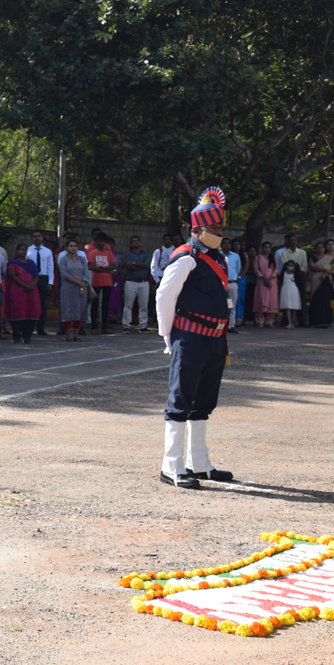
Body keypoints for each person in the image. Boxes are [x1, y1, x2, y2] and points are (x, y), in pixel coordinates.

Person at [155, 187, 236, 489]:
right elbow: (164, 297)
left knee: (203, 402)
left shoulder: (216, 257)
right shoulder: (186, 257)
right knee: (180, 400)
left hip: (215, 339)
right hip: (189, 337)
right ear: (196, 229)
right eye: (214, 227)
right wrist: (167, 336)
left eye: (219, 227)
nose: (219, 232)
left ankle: (199, 463)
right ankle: (171, 465)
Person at [4, 243, 41, 344]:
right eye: (21, 249)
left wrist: (31, 286)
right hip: (18, 291)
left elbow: (36, 276)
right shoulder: (13, 263)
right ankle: (17, 336)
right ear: (17, 251)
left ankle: (27, 336)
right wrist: (25, 286)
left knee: (31, 312)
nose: (23, 251)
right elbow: (13, 276)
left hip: (31, 293)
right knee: (18, 312)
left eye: (25, 250)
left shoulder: (31, 263)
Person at [58, 239, 91, 342]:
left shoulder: (82, 259)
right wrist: (79, 283)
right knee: (67, 310)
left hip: (81, 289)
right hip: (68, 288)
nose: (73, 248)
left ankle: (76, 334)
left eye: (75, 246)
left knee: (79, 310)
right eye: (71, 246)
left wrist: (82, 286)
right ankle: (68, 334)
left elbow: (87, 273)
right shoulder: (63, 259)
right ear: (67, 248)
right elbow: (65, 274)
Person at [85, 229, 116, 334]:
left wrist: (101, 267)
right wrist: (106, 268)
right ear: (96, 242)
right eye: (100, 241)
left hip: (107, 281)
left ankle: (104, 326)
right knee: (94, 304)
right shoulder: (92, 253)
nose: (102, 243)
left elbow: (114, 265)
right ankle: (94, 326)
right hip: (96, 280)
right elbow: (92, 267)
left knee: (105, 304)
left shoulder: (109, 253)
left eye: (104, 241)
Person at [120, 236, 152, 333]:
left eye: (137, 241)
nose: (136, 242)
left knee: (143, 305)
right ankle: (126, 326)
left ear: (140, 242)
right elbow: (128, 267)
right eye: (133, 241)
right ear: (130, 244)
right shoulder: (128, 254)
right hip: (131, 282)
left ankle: (143, 326)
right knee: (128, 305)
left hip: (144, 282)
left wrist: (133, 263)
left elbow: (147, 265)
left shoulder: (146, 254)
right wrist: (141, 265)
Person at [276, 234, 308, 326]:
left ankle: (302, 321)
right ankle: (286, 321)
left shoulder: (302, 252)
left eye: (295, 240)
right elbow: (284, 265)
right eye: (291, 240)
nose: (293, 242)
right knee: (288, 298)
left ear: (297, 242)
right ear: (288, 242)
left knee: (301, 298)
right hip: (287, 276)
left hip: (299, 276)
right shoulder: (284, 253)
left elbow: (304, 266)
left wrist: (297, 272)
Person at [27, 231, 55, 335]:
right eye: (34, 237)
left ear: (42, 237)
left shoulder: (47, 251)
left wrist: (50, 282)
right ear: (32, 238)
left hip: (43, 278)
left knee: (42, 304)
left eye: (38, 236)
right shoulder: (28, 251)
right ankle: (29, 327)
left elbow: (50, 267)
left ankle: (41, 327)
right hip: (31, 278)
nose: (36, 238)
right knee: (30, 303)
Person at [252, 241, 280, 327]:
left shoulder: (273, 258)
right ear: (262, 248)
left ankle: (270, 321)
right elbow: (256, 269)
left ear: (270, 249)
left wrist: (271, 278)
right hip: (261, 281)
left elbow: (276, 269)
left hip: (272, 281)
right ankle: (260, 321)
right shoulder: (258, 258)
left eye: (268, 247)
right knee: (261, 299)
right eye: (265, 247)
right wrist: (263, 278)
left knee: (272, 300)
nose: (267, 249)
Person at [308, 244, 334, 329]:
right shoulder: (313, 258)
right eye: (318, 247)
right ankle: (315, 322)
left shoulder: (329, 259)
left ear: (324, 249)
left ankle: (326, 321)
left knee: (325, 301)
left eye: (322, 247)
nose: (320, 249)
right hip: (315, 281)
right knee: (316, 301)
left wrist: (325, 273)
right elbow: (312, 267)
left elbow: (332, 269)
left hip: (325, 281)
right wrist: (324, 270)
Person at [231, 239, 249, 328]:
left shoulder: (244, 255)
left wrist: (239, 276)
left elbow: (246, 268)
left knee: (240, 299)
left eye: (238, 244)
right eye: (234, 244)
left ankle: (239, 319)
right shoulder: (229, 255)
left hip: (241, 278)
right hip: (231, 279)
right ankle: (231, 320)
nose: (236, 246)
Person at [278, 260, 302, 328]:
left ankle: (292, 322)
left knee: (294, 307)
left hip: (294, 290)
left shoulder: (296, 274)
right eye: (289, 265)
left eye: (292, 265)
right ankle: (289, 322)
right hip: (285, 289)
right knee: (287, 306)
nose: (290, 267)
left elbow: (299, 282)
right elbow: (279, 281)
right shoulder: (283, 273)